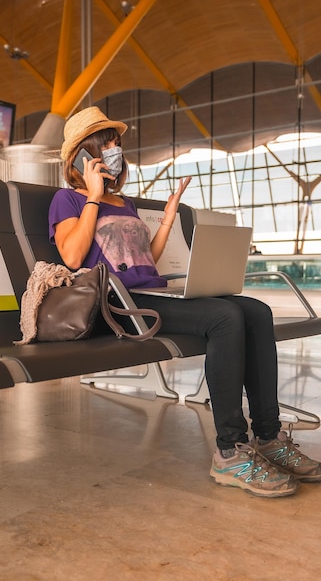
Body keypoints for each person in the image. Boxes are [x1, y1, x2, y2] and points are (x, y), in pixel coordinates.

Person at [48, 106, 321, 498]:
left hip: (152, 294)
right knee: (225, 317)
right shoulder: (67, 201)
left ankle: (268, 436)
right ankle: (229, 451)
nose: (115, 152)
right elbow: (72, 257)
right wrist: (92, 197)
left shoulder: (123, 204)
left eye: (117, 145)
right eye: (105, 145)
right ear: (81, 157)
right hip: (118, 305)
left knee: (256, 311)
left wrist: (167, 218)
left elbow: (148, 261)